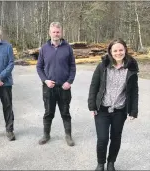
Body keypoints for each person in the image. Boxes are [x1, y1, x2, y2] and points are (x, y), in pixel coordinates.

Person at [88, 38, 139, 171]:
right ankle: (100, 164)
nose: (118, 53)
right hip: (102, 109)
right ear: (110, 51)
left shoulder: (131, 67)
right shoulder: (103, 66)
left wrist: (133, 111)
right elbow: (94, 86)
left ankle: (111, 163)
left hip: (120, 110)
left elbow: (134, 92)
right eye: (115, 50)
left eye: (121, 50)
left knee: (116, 138)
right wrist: (92, 106)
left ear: (125, 50)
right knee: (103, 139)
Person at [36, 22, 76, 146]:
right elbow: (39, 67)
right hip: (49, 87)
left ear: (61, 33)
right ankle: (46, 135)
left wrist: (69, 82)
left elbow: (72, 67)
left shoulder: (68, 48)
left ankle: (68, 135)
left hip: (64, 87)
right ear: (50, 33)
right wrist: (45, 80)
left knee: (65, 112)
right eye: (53, 32)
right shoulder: (44, 48)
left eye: (58, 32)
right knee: (48, 113)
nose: (56, 34)